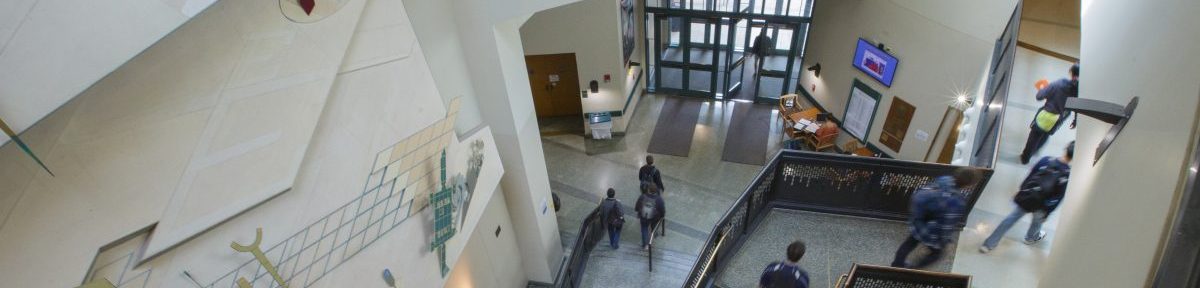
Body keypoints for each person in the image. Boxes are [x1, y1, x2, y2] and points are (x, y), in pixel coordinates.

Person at [980, 141, 1073, 253]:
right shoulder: (1066, 174)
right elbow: (1058, 197)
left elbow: (1030, 176)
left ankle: (989, 244)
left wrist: (1021, 191)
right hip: (1042, 205)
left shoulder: (1046, 160)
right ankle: (1030, 237)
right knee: (1037, 221)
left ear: (1065, 148)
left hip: (1028, 197)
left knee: (1010, 219)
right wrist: (1047, 212)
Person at [891, 168, 982, 269]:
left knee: (909, 243)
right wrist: (944, 241)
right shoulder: (957, 201)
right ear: (968, 185)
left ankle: (897, 264)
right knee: (937, 253)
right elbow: (946, 225)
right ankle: (914, 270)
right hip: (931, 230)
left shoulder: (944, 179)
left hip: (918, 220)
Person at [1020, 63, 1079, 164]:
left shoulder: (1059, 83)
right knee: (1046, 135)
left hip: (1046, 115)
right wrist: (1075, 120)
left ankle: (1025, 158)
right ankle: (1035, 151)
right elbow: (1077, 107)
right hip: (1058, 119)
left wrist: (1043, 89)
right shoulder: (1078, 91)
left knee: (1034, 137)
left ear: (1071, 72)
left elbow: (1039, 97)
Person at [636, 186, 666, 250]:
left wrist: (638, 211)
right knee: (654, 226)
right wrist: (662, 215)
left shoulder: (643, 196)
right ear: (656, 191)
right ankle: (654, 234)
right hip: (654, 217)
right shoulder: (659, 199)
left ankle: (645, 245)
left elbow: (637, 205)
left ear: (649, 190)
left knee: (644, 229)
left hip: (643, 216)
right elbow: (662, 209)